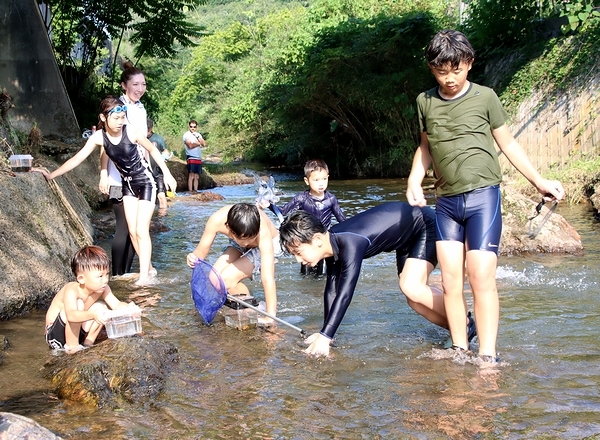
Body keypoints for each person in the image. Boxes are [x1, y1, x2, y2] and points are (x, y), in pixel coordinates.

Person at [405, 30, 565, 364]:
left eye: (457, 70)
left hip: (483, 198)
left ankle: (487, 357)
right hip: (446, 202)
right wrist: (414, 180)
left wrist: (538, 181)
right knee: (450, 281)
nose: (449, 79)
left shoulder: (486, 97)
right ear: (431, 68)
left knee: (480, 275)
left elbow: (508, 143)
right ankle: (460, 349)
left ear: (470, 64)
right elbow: (425, 148)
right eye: (441, 72)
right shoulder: (425, 102)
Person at [278, 202, 460, 357]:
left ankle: (464, 323)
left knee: (411, 286)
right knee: (413, 298)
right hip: (406, 237)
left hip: (423, 224)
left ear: (317, 239)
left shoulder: (349, 242)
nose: (298, 260)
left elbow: (345, 293)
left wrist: (325, 337)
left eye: (298, 252)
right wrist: (327, 334)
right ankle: (457, 330)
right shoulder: (330, 246)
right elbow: (332, 291)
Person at [34, 96, 177, 286]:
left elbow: (152, 150)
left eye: (122, 117)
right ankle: (149, 268)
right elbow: (77, 159)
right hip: (127, 185)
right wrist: (51, 175)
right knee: (132, 232)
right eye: (116, 118)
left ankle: (144, 276)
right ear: (103, 117)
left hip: (146, 182)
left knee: (142, 230)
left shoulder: (131, 131)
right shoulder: (98, 137)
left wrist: (167, 174)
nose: (120, 122)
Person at [186, 203, 281, 318]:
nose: (247, 244)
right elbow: (201, 251)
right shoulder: (217, 220)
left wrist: (271, 316)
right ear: (228, 227)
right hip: (238, 239)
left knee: (226, 279)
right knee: (215, 278)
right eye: (244, 240)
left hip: (268, 243)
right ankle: (246, 304)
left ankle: (251, 309)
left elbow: (267, 278)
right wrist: (193, 257)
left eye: (250, 239)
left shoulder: (262, 231)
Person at [45, 245, 133, 353]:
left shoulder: (103, 287)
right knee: (79, 305)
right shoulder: (72, 290)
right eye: (100, 276)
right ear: (81, 279)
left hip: (78, 330)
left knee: (102, 308)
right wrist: (93, 315)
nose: (105, 280)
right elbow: (71, 315)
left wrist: (130, 308)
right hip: (55, 336)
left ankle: (87, 344)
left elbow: (117, 305)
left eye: (107, 274)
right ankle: (72, 348)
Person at [104, 62, 148, 276]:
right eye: (135, 84)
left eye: (143, 84)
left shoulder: (140, 108)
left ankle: (127, 273)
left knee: (136, 229)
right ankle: (116, 274)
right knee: (123, 226)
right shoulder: (117, 108)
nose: (140, 88)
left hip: (138, 176)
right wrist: (103, 173)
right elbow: (105, 144)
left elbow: (143, 145)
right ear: (124, 85)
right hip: (116, 177)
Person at [278, 159, 346, 275]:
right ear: (307, 180)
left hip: (323, 239)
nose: (321, 183)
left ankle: (317, 290)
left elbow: (342, 220)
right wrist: (269, 204)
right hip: (306, 238)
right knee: (305, 269)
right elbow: (283, 211)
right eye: (316, 180)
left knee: (322, 271)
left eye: (324, 179)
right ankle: (306, 290)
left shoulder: (331, 199)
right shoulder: (302, 198)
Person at [147, 118, 169, 211]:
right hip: (144, 172)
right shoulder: (139, 137)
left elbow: (165, 151)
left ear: (151, 129)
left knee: (161, 194)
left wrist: (166, 157)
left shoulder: (158, 139)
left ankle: (163, 215)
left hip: (158, 171)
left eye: (148, 130)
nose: (146, 132)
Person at [183, 120, 206, 192]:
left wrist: (198, 138)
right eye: (191, 127)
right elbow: (190, 145)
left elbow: (204, 144)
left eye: (194, 127)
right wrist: (198, 143)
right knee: (191, 175)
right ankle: (190, 191)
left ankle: (195, 190)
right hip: (191, 156)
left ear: (196, 127)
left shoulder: (198, 135)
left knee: (197, 176)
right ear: (189, 126)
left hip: (198, 157)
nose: (192, 128)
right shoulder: (186, 135)